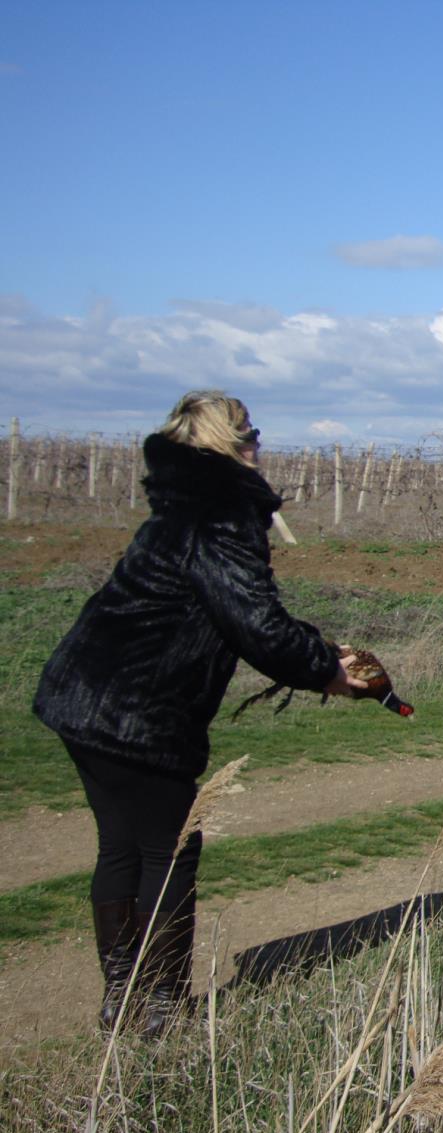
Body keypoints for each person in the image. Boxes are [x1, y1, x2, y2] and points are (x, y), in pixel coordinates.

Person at [32, 391, 365, 1036]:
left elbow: (232, 611)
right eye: (255, 435)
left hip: (81, 696)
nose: (261, 446)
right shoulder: (222, 512)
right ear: (235, 444)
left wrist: (316, 654)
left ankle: (124, 999)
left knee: (122, 845)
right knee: (170, 850)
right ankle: (160, 1006)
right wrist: (326, 669)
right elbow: (254, 623)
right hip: (138, 712)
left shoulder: (181, 505)